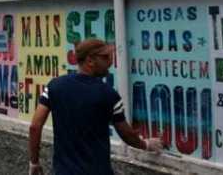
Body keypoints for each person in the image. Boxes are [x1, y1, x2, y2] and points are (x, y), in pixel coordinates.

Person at [28, 39, 164, 175]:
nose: (110, 62)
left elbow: (35, 127)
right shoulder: (108, 95)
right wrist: (146, 144)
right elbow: (126, 134)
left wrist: (34, 163)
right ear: (90, 61)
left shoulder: (54, 87)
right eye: (105, 57)